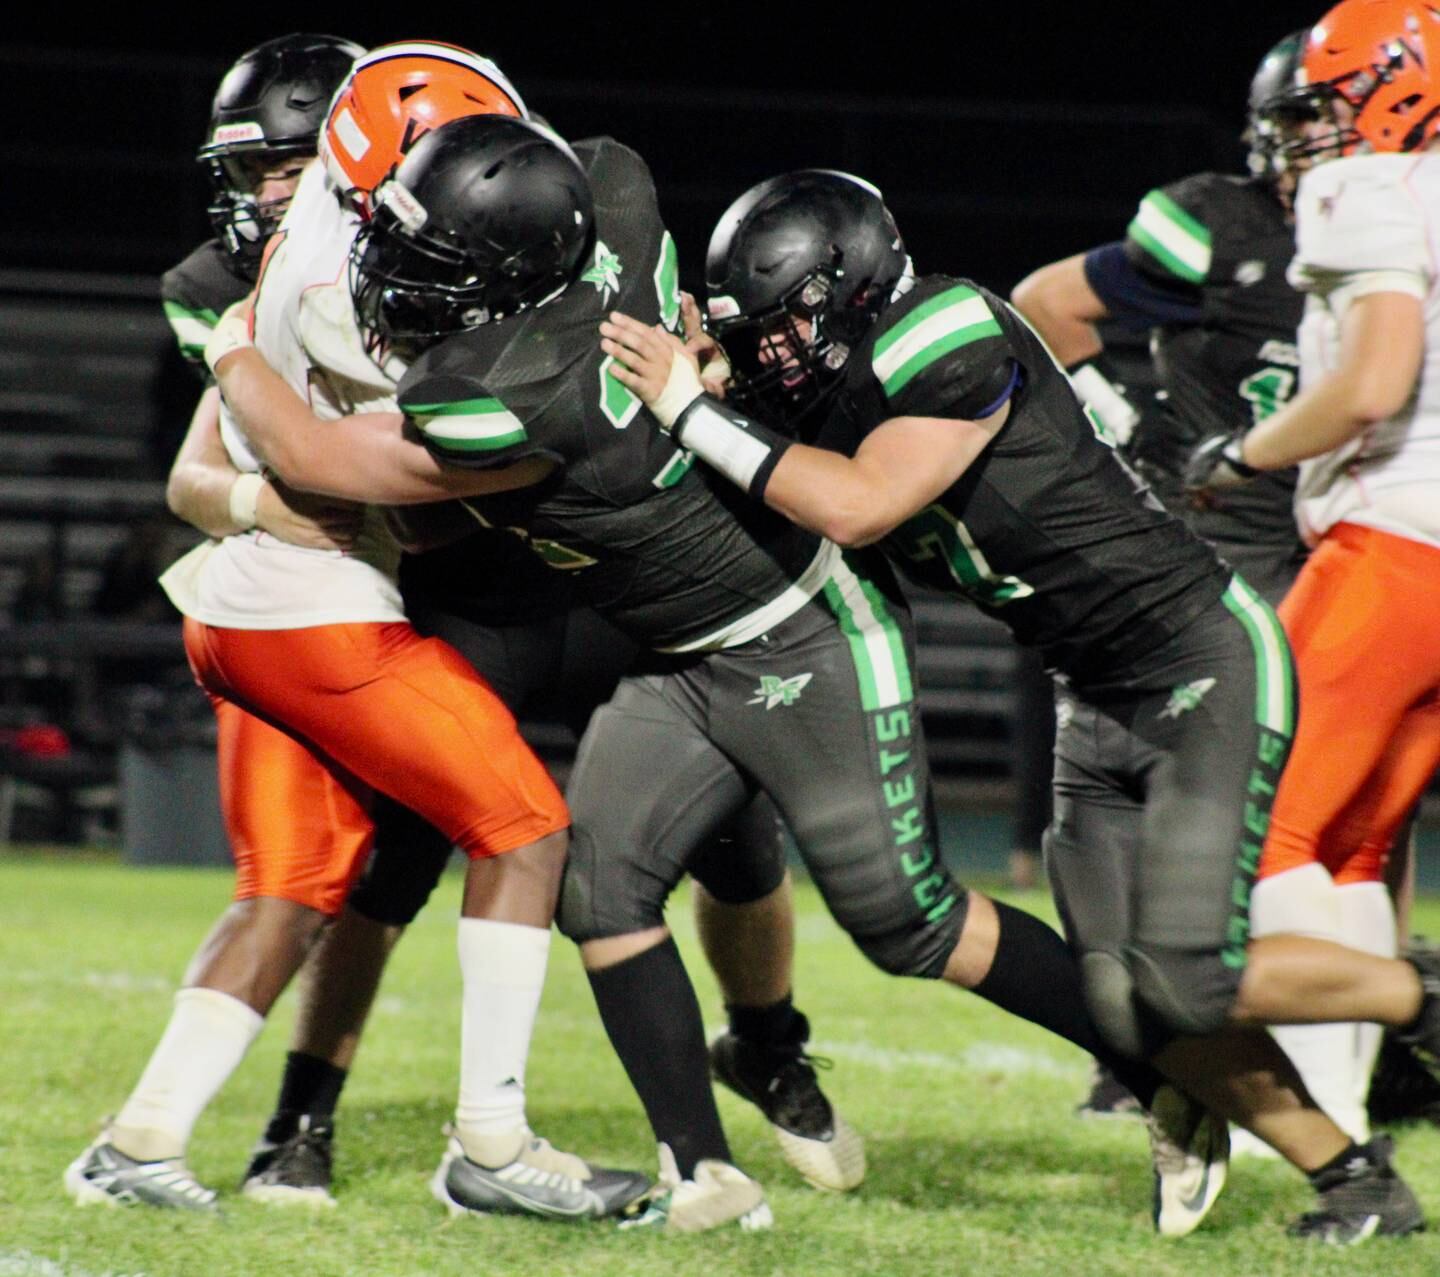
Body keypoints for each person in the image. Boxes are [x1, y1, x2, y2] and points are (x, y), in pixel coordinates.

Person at [207, 113, 1214, 1236]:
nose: (398, 277)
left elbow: (310, 456)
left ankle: (1170, 1072)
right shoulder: (617, 209)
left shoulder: (513, 387)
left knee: (907, 923)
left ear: (505, 279)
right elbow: (599, 162)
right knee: (601, 888)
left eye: (432, 260)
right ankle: (703, 1173)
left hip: (802, 632)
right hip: (683, 652)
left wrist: (231, 342)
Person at [598, 164, 1440, 1242]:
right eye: (754, 332)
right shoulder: (822, 377)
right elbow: (779, 457)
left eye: (783, 326)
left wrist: (689, 407)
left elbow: (859, 505)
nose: (772, 353)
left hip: (1198, 664)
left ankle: (1419, 992)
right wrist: (710, 387)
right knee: (1124, 1007)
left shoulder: (942, 326)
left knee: (1188, 977)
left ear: (851, 289)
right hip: (1091, 696)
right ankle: (1359, 1181)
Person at [162, 40, 864, 1208]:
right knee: (394, 863)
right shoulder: (246, 285)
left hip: (606, 582)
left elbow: (636, 345)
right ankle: (303, 1116)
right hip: (462, 590)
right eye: (270, 172)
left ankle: (768, 1041)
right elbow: (226, 470)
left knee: (733, 832)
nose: (279, 196)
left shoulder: (558, 210)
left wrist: (692, 355)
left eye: (296, 166)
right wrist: (264, 485)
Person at [65, 39, 651, 1222]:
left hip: (239, 612)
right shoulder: (347, 285)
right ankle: (491, 1140)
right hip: (318, 614)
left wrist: (240, 380)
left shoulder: (300, 245)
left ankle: (137, 1142)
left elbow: (234, 439)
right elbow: (391, 483)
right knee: (528, 830)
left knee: (288, 885)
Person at [1011, 31, 1324, 1136]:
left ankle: (1341, 1038)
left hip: (1334, 544)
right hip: (1204, 545)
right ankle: (1140, 1044)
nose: (1316, 150)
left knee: (1317, 813)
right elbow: (1044, 303)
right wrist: (1129, 422)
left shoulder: (1399, 245)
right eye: (1302, 123)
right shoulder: (1226, 225)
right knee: (1118, 796)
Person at [1184, 0, 1440, 1173]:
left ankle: (1378, 1061)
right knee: (1343, 845)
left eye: (1326, 108)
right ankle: (1350, 1142)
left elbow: (1375, 378)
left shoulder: (1373, 195)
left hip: (1389, 545)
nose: (1309, 139)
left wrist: (1245, 452)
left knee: (1262, 828)